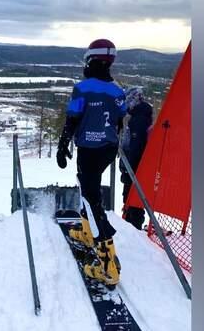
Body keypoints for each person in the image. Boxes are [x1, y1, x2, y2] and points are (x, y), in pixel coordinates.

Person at [56, 38, 126, 287]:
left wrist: (63, 144)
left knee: (90, 197)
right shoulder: (118, 91)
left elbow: (72, 118)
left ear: (90, 60)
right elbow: (119, 121)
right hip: (107, 150)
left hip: (88, 149)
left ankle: (108, 265)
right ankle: (87, 233)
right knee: (89, 190)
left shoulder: (82, 88)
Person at [119, 87, 153, 231]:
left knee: (132, 203)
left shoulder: (139, 119)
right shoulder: (139, 116)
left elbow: (136, 147)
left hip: (135, 170)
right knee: (131, 202)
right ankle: (131, 228)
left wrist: (129, 171)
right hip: (134, 169)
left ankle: (133, 231)